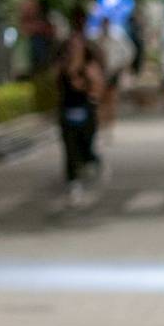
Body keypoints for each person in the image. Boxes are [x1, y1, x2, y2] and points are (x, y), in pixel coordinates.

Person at [56, 33, 108, 207]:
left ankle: (92, 161)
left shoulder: (89, 67)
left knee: (85, 146)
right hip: (67, 111)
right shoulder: (63, 66)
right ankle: (73, 181)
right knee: (70, 148)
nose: (74, 50)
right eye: (71, 47)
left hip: (85, 112)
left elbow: (97, 87)